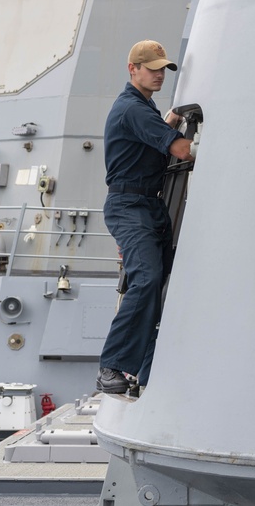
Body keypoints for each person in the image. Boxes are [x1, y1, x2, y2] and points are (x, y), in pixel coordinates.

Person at [96, 40, 194, 395]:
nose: (158, 75)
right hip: (129, 207)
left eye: (162, 69)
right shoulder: (132, 109)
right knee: (148, 279)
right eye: (151, 68)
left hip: (149, 208)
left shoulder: (144, 107)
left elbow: (158, 129)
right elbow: (181, 150)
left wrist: (173, 118)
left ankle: (141, 369)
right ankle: (112, 366)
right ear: (132, 69)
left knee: (163, 287)